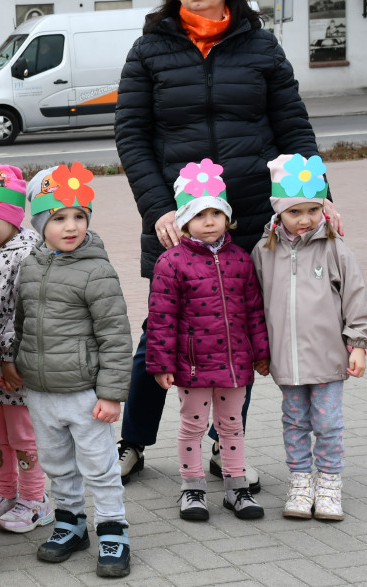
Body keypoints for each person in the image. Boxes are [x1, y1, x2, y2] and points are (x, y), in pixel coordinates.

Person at [114, 0, 342, 487]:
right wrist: (158, 208)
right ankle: (132, 441)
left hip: (247, 217)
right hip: (178, 224)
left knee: (238, 331)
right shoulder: (149, 51)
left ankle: (225, 445)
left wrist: (319, 194)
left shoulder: (261, 48)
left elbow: (293, 128)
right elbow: (131, 136)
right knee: (160, 332)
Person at [13, 163, 132, 578]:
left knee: (99, 465)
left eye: (79, 216)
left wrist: (112, 393)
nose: (70, 226)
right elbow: (22, 324)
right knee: (57, 462)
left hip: (85, 391)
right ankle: (71, 522)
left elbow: (116, 335)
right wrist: (16, 363)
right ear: (41, 223)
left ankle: (113, 529)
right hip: (42, 390)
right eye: (59, 218)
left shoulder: (96, 270)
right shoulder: (30, 267)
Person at [252, 154, 367, 521]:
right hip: (285, 360)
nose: (304, 220)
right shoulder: (264, 251)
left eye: (312, 210)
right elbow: (255, 304)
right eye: (295, 212)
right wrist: (260, 350)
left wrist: (359, 345)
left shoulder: (335, 248)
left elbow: (356, 298)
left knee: (327, 422)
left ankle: (329, 483)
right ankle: (301, 480)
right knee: (294, 421)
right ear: (278, 213)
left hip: (328, 357)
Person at [145, 160, 270, 521]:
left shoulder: (240, 260)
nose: (210, 221)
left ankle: (236, 488)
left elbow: (254, 311)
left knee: (232, 426)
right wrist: (162, 364)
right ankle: (192, 488)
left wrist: (261, 354)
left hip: (234, 366)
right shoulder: (171, 263)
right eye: (201, 215)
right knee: (193, 426)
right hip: (193, 367)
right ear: (184, 221)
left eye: (217, 213)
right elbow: (161, 318)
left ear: (227, 218)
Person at [0, 162, 51, 533]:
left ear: (13, 218)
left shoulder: (25, 253)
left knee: (22, 436)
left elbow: (23, 313)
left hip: (12, 366)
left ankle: (36, 500)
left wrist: (8, 358)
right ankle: (5, 495)